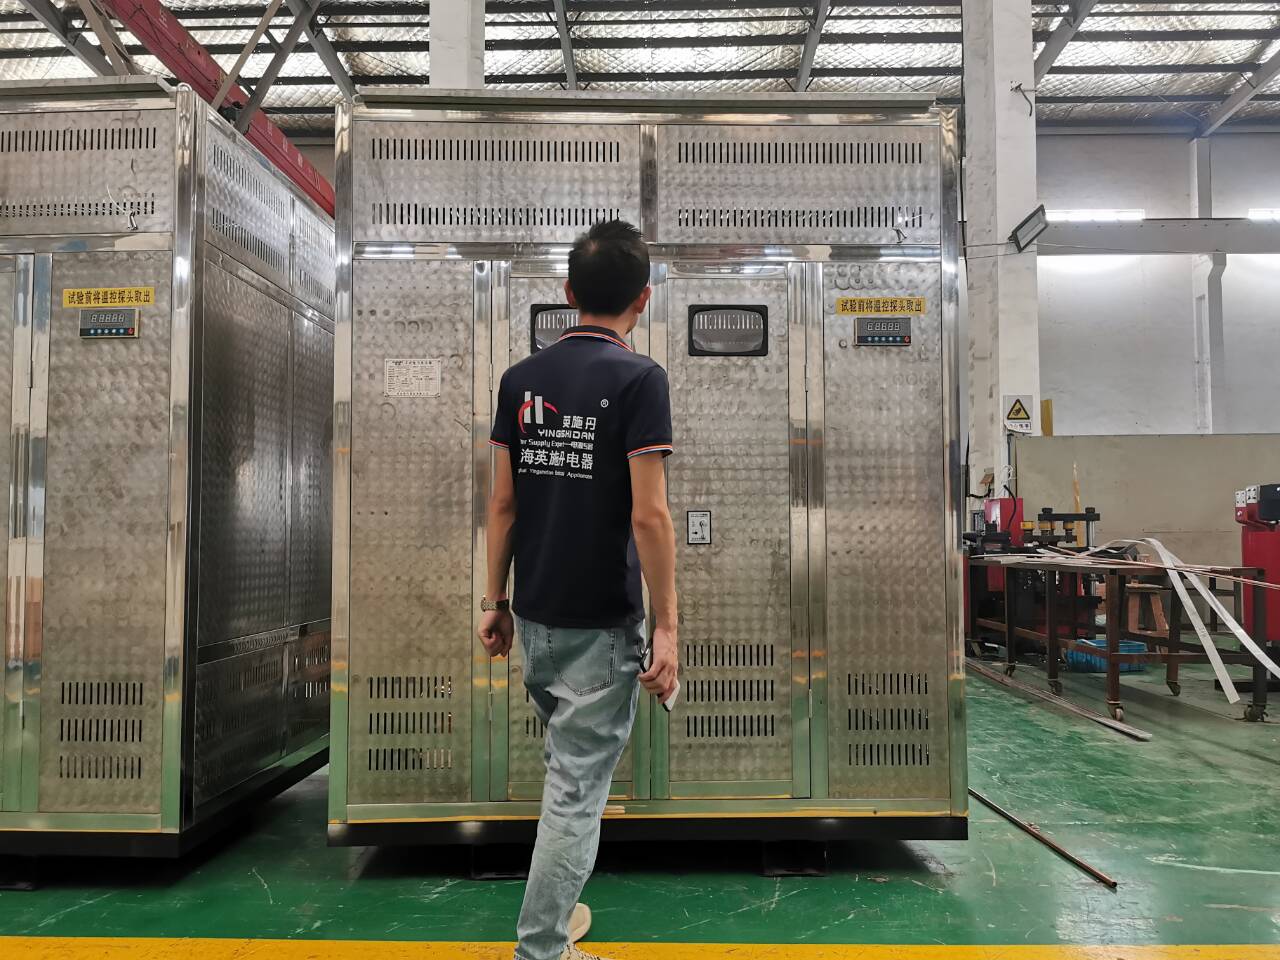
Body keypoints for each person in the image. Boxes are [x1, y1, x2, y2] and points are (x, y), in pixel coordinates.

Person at [478, 219, 679, 960]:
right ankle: (542, 948)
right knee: (575, 793)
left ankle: (555, 914)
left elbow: (503, 504)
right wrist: (668, 626)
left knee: (566, 773)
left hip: (536, 618)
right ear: (643, 299)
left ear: (568, 293)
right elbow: (650, 516)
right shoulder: (640, 380)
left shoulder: (520, 380)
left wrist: (494, 603)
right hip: (600, 625)